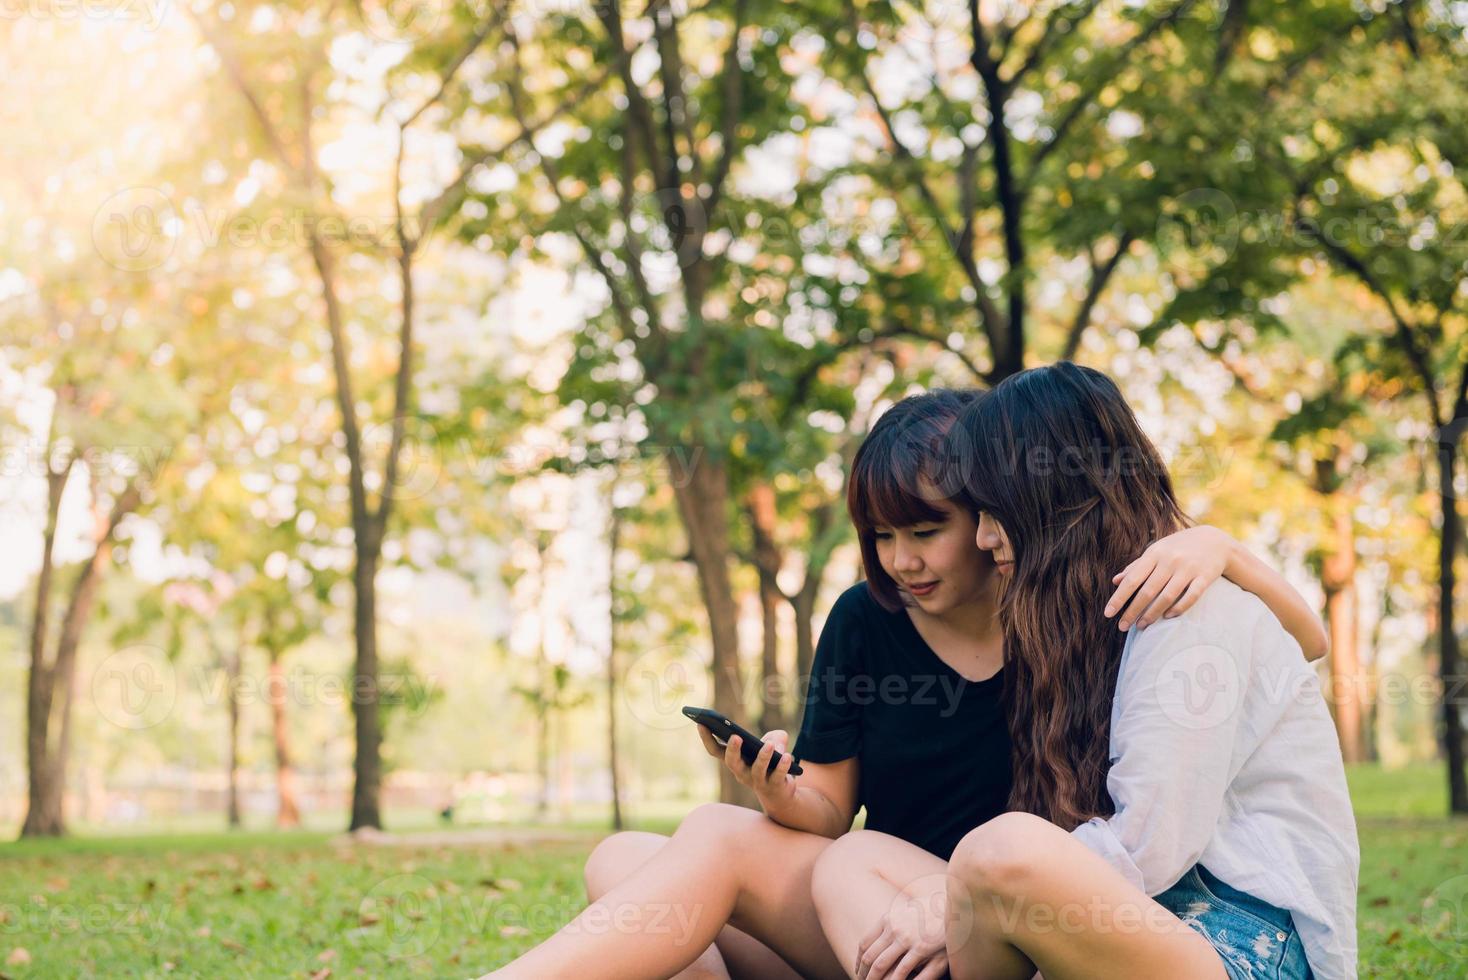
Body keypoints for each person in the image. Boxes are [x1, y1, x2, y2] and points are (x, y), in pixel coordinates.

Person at [482, 387, 1330, 980]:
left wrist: (1218, 545)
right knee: (631, 856)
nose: (903, 559)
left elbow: (1293, 650)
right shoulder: (868, 619)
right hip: (905, 910)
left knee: (968, 860)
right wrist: (775, 789)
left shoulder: (1099, 611)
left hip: (1037, 908)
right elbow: (828, 812)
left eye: (931, 529)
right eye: (881, 535)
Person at [809, 366, 1357, 980]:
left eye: (993, 510)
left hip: (1244, 947)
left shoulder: (1185, 610)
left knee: (999, 851)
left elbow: (1148, 845)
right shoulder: (1083, 622)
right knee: (851, 858)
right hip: (1144, 924)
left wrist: (952, 899)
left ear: (1057, 497)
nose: (984, 538)